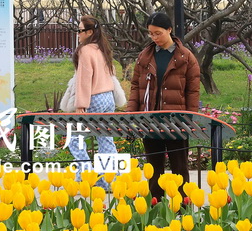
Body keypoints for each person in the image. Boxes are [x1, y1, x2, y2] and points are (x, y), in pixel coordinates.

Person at [128, 12, 200, 201]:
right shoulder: (144, 57)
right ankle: (154, 207)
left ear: (169, 30)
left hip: (177, 122)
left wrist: (189, 120)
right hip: (150, 121)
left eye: (158, 33)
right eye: (151, 33)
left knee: (180, 169)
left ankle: (182, 208)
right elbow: (135, 87)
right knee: (153, 170)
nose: (154, 37)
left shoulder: (186, 57)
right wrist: (130, 114)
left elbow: (193, 91)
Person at [68, 16, 118, 174]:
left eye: (80, 30)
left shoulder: (85, 50)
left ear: (89, 32)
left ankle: (87, 174)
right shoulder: (103, 49)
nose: (78, 34)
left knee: (75, 139)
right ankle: (111, 178)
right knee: (105, 138)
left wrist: (80, 104)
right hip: (108, 98)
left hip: (94, 98)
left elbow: (84, 79)